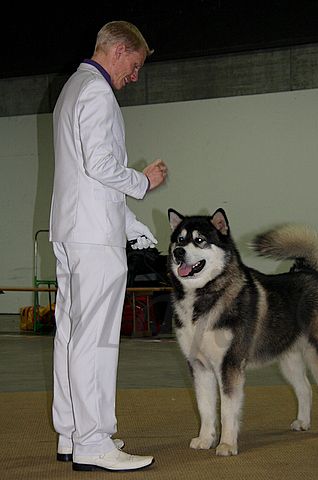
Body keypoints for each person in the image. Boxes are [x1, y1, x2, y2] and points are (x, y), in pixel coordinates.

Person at [49, 21, 167, 472]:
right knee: (95, 341)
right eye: (134, 65)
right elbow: (101, 165)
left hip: (72, 230)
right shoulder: (98, 93)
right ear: (118, 51)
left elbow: (83, 173)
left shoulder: (72, 89)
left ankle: (71, 432)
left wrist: (131, 223)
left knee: (70, 335)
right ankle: (94, 442)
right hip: (93, 237)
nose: (134, 76)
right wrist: (144, 182)